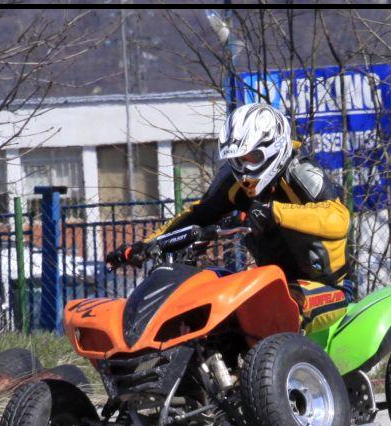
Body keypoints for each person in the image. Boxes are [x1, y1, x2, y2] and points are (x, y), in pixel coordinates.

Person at [107, 102, 352, 333]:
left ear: (274, 148)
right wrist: (145, 245)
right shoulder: (235, 182)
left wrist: (274, 212)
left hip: (327, 288)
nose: (244, 168)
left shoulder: (302, 173)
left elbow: (339, 218)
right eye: (237, 160)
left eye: (252, 157)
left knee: (280, 307)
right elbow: (198, 214)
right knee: (220, 310)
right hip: (273, 283)